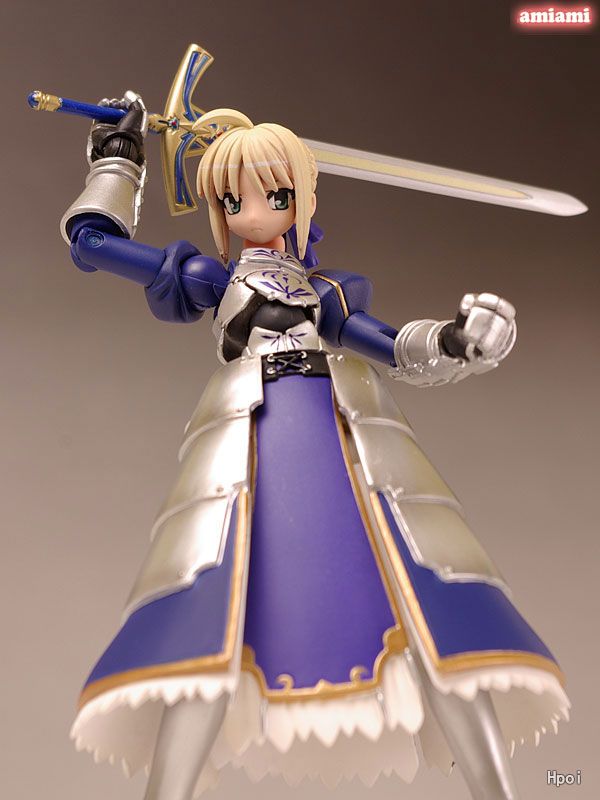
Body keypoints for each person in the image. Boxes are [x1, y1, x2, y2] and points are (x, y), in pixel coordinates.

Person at [62, 94, 569, 800]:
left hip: (341, 447)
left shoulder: (326, 292)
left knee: (426, 605)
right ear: (219, 211)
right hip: (253, 449)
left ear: (301, 199)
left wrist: (458, 342)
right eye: (235, 200)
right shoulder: (213, 279)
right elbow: (91, 244)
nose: (255, 211)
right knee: (210, 614)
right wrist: (118, 159)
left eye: (275, 195)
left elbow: (394, 347)